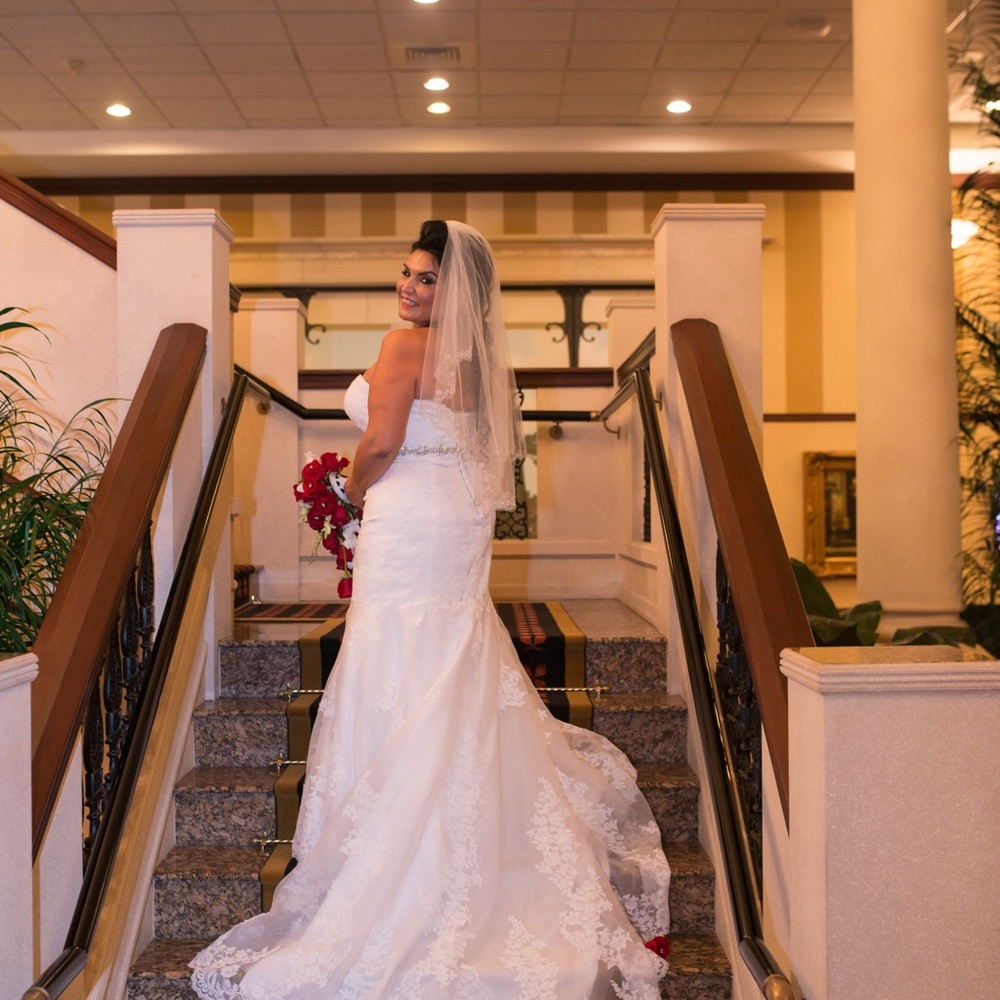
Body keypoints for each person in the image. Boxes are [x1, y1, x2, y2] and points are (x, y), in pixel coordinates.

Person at [190, 221, 671, 1000]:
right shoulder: (481, 362)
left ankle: (397, 857)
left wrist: (344, 493)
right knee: (453, 648)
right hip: (455, 518)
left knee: (397, 653)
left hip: (409, 517)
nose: (409, 289)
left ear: (457, 290)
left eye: (425, 279)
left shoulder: (400, 347)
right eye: (406, 275)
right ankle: (470, 851)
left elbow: (379, 443)